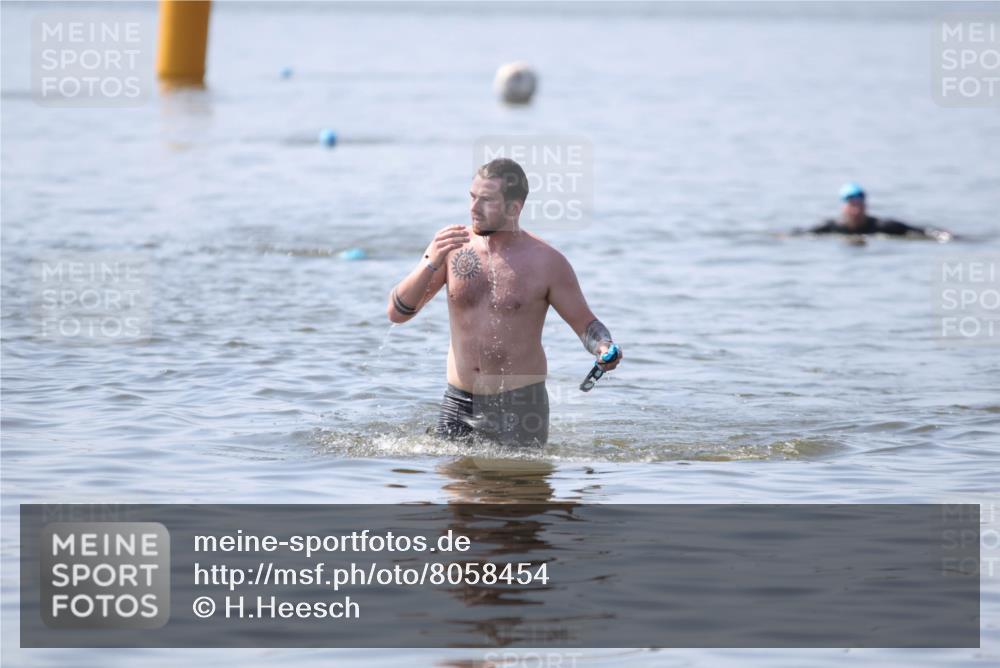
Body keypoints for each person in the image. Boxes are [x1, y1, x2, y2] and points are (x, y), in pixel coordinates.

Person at [386, 158, 622, 447]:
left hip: (520, 408)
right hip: (458, 402)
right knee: (456, 489)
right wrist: (429, 261)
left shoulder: (547, 262)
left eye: (486, 201)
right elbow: (397, 314)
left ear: (514, 208)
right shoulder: (450, 249)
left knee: (517, 491)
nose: (473, 208)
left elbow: (587, 325)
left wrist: (604, 346)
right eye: (472, 197)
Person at [803, 183, 952, 241]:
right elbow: (800, 234)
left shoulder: (882, 226)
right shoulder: (832, 227)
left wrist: (944, 236)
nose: (856, 210)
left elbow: (921, 231)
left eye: (859, 206)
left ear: (865, 207)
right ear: (844, 208)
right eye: (852, 205)